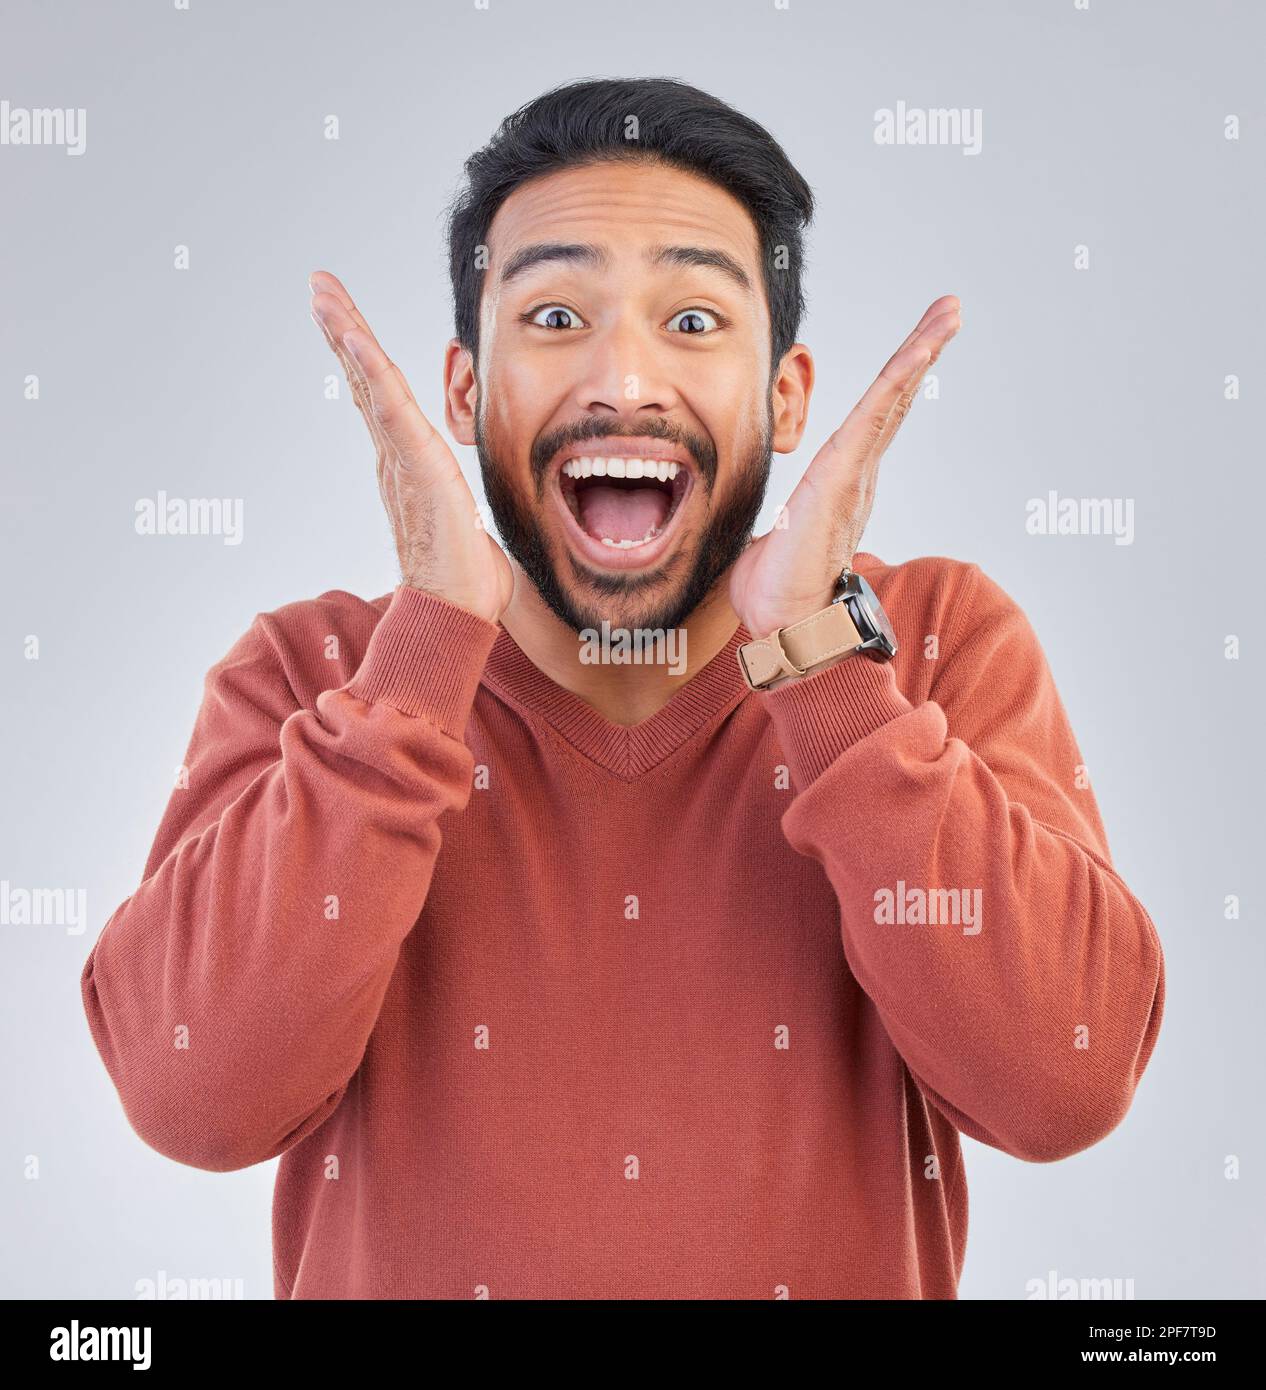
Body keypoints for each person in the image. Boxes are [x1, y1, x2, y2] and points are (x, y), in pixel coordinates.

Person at [80, 77, 1164, 1299]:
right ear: (464, 393)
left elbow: (1063, 1084)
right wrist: (428, 652)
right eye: (552, 315)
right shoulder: (312, 676)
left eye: (695, 322)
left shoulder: (931, 647)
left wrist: (820, 665)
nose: (624, 382)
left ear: (786, 395)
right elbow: (191, 1098)